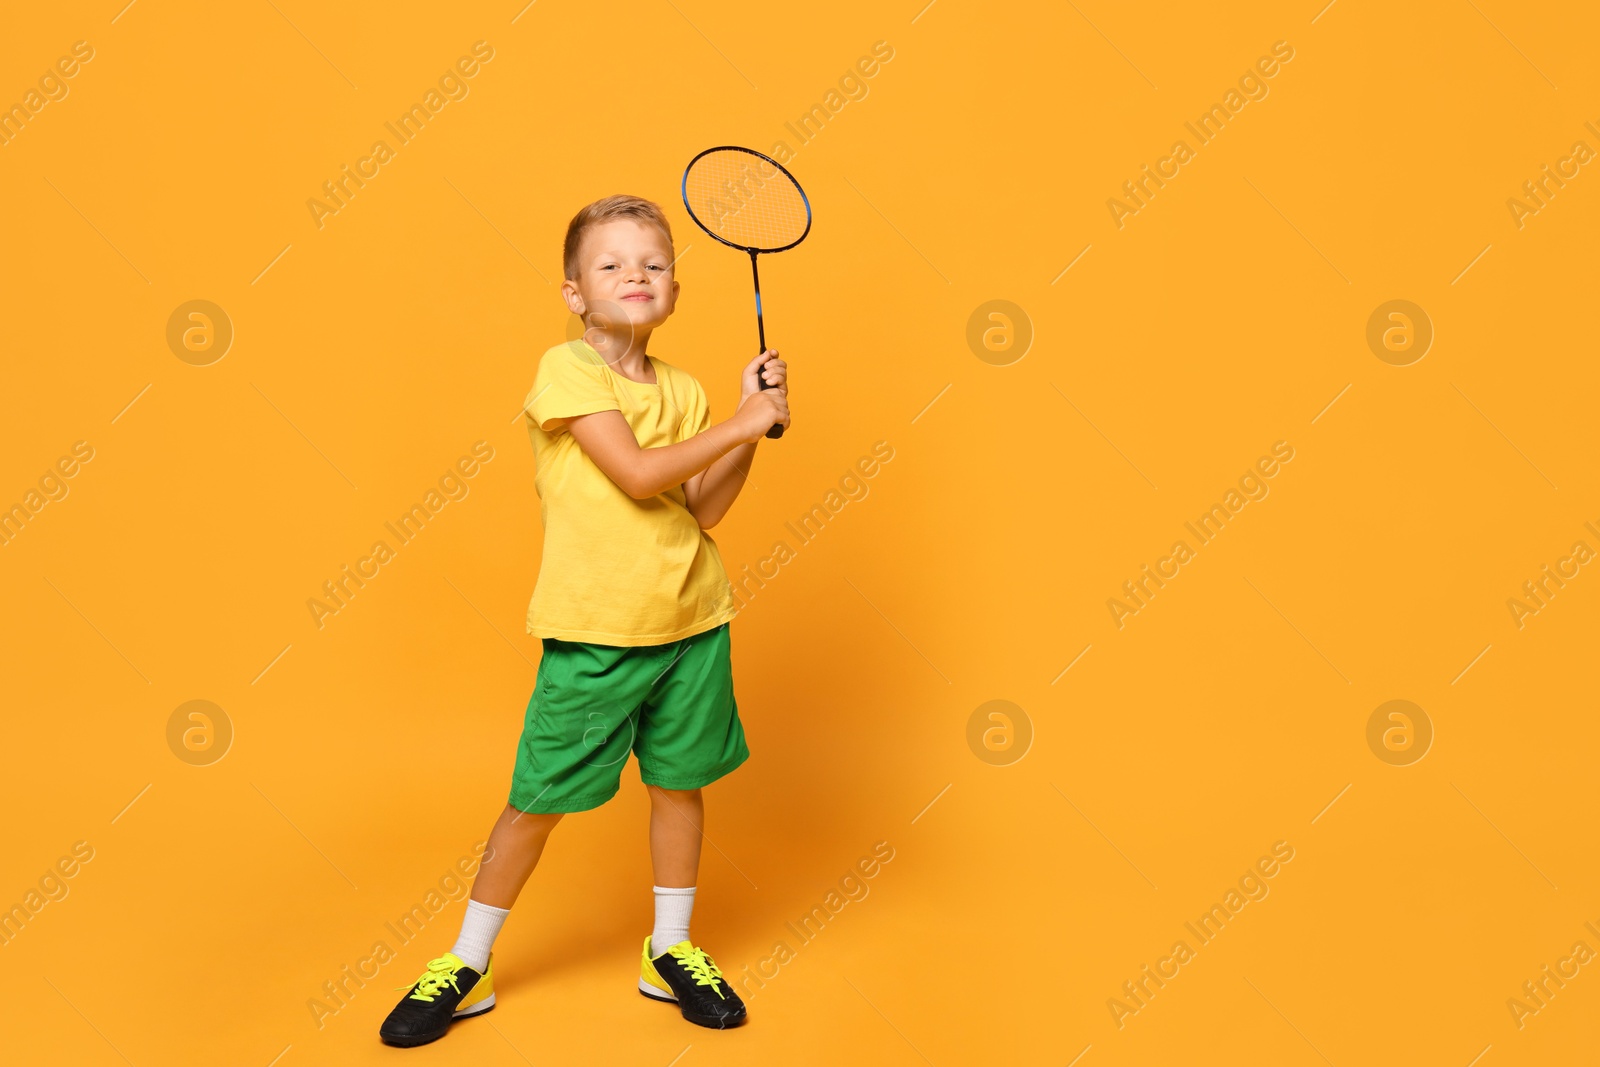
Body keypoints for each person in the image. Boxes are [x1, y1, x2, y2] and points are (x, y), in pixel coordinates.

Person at [379, 194, 790, 1047]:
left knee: (679, 785)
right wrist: (740, 423)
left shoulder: (682, 387)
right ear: (575, 293)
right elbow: (638, 475)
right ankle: (468, 959)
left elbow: (701, 510)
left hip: (691, 624)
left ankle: (669, 948)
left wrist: (748, 427)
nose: (635, 273)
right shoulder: (567, 370)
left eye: (654, 262)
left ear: (675, 287)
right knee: (536, 800)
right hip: (597, 635)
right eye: (611, 264)